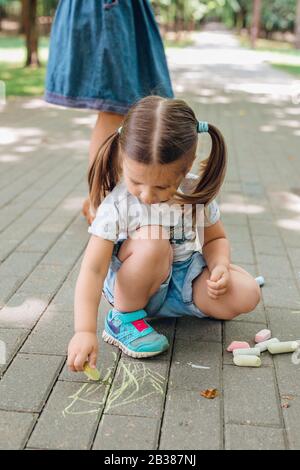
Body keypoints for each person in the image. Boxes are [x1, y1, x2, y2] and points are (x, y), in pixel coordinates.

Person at [67, 96, 261, 371]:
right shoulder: (118, 204)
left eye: (162, 186)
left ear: (187, 165)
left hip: (183, 282)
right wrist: (84, 331)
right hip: (136, 286)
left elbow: (215, 239)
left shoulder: (194, 191)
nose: (147, 195)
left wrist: (219, 266)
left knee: (247, 293)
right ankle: (124, 319)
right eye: (136, 181)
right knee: (154, 239)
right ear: (123, 158)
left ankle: (181, 308)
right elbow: (93, 270)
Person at [45, 0, 174, 223]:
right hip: (110, 11)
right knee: (115, 108)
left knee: (120, 108)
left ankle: (105, 198)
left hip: (119, 10)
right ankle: (101, 203)